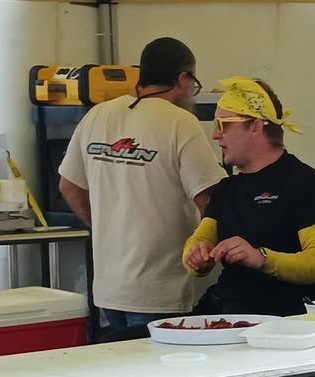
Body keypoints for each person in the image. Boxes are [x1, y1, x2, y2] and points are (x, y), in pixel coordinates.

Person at [59, 37, 227, 330]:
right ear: (182, 79)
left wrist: (105, 228)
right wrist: (207, 252)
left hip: (108, 289)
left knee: (123, 370)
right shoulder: (180, 122)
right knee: (162, 370)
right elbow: (211, 199)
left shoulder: (97, 115)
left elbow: (69, 187)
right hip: (159, 290)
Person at [182, 77, 315, 317]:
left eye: (223, 124)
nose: (215, 135)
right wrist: (196, 256)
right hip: (229, 313)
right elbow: (199, 240)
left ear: (256, 126)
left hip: (285, 321)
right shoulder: (226, 190)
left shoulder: (309, 186)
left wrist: (261, 258)